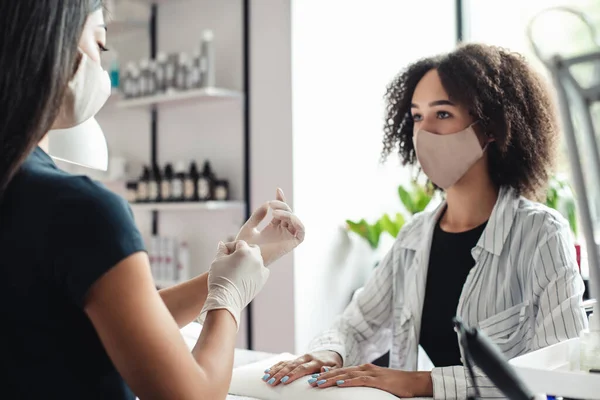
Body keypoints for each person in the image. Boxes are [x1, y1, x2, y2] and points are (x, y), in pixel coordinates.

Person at [0, 2, 304, 399]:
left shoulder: (26, 194)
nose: (100, 63)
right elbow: (192, 395)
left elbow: (120, 310)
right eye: (100, 43)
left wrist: (225, 274)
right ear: (56, 47)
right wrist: (228, 300)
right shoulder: (80, 210)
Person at [263, 43, 587, 399]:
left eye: (443, 114)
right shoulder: (414, 236)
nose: (424, 132)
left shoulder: (541, 234)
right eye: (417, 117)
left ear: (492, 126)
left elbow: (562, 369)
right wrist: (328, 353)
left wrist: (425, 383)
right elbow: (358, 326)